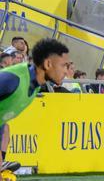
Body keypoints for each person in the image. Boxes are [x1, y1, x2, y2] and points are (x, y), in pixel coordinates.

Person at [0, 39, 69, 172]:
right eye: (63, 65)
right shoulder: (13, 79)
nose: (66, 71)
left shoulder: (35, 86)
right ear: (48, 64)